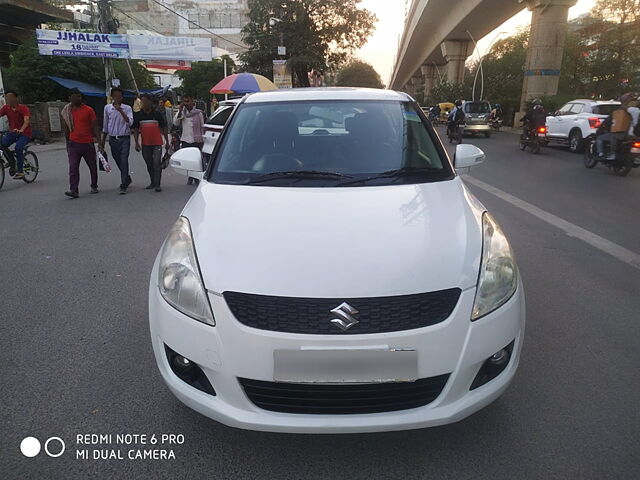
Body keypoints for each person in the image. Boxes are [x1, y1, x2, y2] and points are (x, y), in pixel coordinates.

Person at [60, 88, 100, 198]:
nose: (74, 98)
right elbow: (66, 127)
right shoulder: (67, 111)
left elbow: (95, 126)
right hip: (74, 143)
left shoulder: (88, 110)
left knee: (92, 166)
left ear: (80, 97)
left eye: (76, 96)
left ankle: (94, 185)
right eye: (71, 96)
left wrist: (99, 142)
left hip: (87, 143)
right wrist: (67, 143)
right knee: (73, 167)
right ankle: (74, 190)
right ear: (69, 98)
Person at [99, 87, 133, 194]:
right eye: (115, 95)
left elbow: (130, 122)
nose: (118, 97)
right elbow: (105, 126)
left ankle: (124, 184)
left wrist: (120, 111)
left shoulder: (127, 108)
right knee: (117, 159)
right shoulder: (107, 108)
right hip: (113, 138)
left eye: (120, 95)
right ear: (112, 97)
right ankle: (126, 177)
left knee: (124, 160)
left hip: (124, 138)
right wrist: (102, 142)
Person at [133, 94, 169, 192]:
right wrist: (136, 143)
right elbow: (136, 129)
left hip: (157, 143)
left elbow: (164, 127)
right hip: (145, 144)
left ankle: (158, 184)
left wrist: (167, 141)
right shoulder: (138, 115)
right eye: (142, 102)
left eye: (145, 101)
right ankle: (152, 181)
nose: (143, 103)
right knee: (149, 164)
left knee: (157, 162)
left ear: (150, 102)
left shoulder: (157, 114)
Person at [173, 94, 205, 185]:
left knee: (197, 160)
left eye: (188, 101)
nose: (186, 103)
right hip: (186, 139)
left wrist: (203, 139)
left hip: (197, 140)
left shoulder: (199, 113)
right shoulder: (182, 112)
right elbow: (176, 122)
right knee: (188, 160)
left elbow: (202, 127)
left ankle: (196, 177)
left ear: (192, 101)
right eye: (184, 101)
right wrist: (179, 110)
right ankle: (191, 177)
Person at [0, 90, 32, 180]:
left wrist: (21, 129)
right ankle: (12, 162)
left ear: (16, 98)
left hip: (24, 133)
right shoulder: (6, 108)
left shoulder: (23, 108)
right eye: (7, 98)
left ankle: (20, 171)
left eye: (11, 97)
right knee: (2, 144)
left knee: (18, 148)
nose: (9, 99)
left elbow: (26, 121)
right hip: (12, 133)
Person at [596, 93, 633, 160]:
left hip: (621, 133)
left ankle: (604, 153)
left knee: (601, 138)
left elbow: (608, 121)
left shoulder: (619, 112)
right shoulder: (634, 111)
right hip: (633, 135)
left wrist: (601, 126)